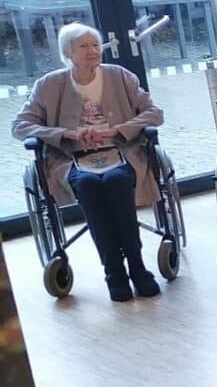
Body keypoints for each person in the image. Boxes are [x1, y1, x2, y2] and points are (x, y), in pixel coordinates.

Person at [11, 22, 166, 301]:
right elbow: (20, 126)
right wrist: (66, 134)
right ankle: (114, 272)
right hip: (71, 158)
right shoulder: (48, 85)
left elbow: (154, 113)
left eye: (95, 44)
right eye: (84, 46)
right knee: (89, 185)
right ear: (68, 52)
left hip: (121, 151)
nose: (93, 50)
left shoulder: (120, 76)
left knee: (117, 181)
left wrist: (117, 130)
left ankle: (137, 265)